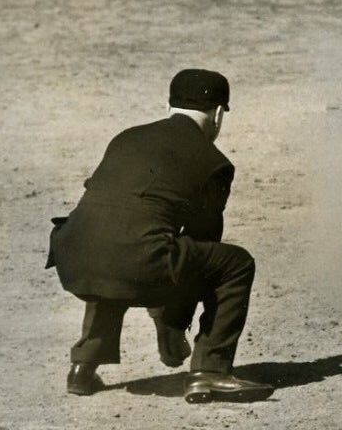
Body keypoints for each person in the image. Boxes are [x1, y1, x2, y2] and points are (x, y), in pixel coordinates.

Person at [47, 69, 270, 403]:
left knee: (115, 237)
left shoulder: (126, 137)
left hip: (72, 255)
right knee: (235, 264)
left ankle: (83, 365)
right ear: (219, 113)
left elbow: (109, 213)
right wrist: (173, 323)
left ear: (169, 105)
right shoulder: (214, 162)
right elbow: (202, 245)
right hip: (134, 262)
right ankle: (210, 370)